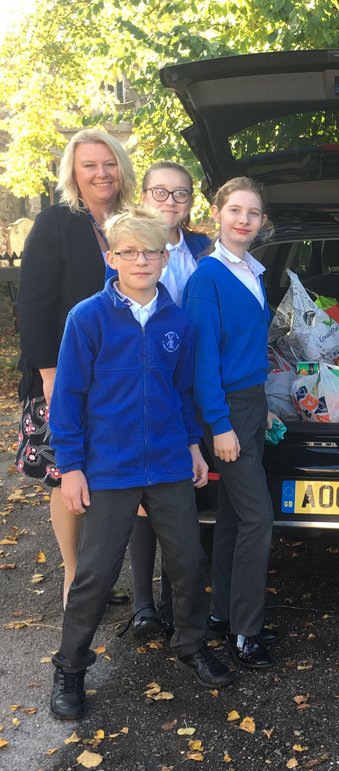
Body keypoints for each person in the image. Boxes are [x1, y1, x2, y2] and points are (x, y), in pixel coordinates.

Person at [48, 207, 233, 720]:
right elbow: (68, 398)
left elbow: (181, 391)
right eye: (129, 251)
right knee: (96, 573)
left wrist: (194, 445)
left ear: (166, 256)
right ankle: (70, 668)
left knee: (189, 562)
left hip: (171, 463)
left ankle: (191, 644)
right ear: (112, 258)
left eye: (151, 251)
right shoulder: (88, 318)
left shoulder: (177, 319)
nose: (141, 260)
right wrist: (72, 466)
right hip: (109, 467)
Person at [16, 128, 135, 609]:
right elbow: (35, 303)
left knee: (103, 476)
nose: (101, 173)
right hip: (63, 374)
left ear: (121, 168)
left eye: (109, 163)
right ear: (74, 173)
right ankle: (73, 581)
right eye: (90, 165)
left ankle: (95, 577)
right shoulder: (57, 223)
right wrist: (49, 375)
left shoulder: (131, 221)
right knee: (67, 476)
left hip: (120, 377)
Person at [183, 177, 276, 669]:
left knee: (235, 517)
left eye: (253, 213)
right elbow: (203, 364)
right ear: (216, 213)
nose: (244, 220)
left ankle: (223, 613)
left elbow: (245, 351)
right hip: (226, 411)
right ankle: (247, 633)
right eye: (235, 210)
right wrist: (219, 425)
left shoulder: (252, 272)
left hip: (251, 404)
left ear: (262, 222)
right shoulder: (208, 278)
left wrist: (263, 405)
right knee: (259, 517)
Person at [125, 161, 211, 639]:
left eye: (180, 194)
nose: (171, 202)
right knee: (142, 494)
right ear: (144, 195)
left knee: (180, 491)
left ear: (191, 201)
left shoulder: (205, 248)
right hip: (147, 383)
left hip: (192, 383)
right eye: (161, 192)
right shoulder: (129, 246)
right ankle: (142, 606)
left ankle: (172, 601)